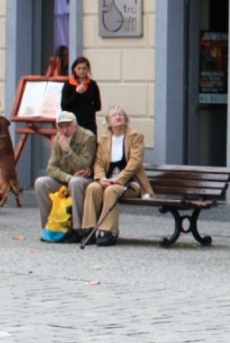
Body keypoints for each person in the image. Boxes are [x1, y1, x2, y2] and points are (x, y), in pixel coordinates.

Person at [82, 106, 154, 247]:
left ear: (126, 120)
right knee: (93, 187)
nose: (118, 116)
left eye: (121, 114)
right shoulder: (104, 139)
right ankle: (88, 230)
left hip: (130, 183)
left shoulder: (135, 136)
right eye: (114, 115)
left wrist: (118, 179)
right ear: (108, 122)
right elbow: (99, 163)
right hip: (108, 180)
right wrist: (100, 178)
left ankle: (109, 232)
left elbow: (134, 163)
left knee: (111, 190)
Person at [33, 111, 96, 234]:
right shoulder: (58, 138)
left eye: (67, 125)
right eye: (61, 127)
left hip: (85, 179)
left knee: (76, 182)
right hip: (67, 177)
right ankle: (49, 227)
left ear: (75, 125)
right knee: (41, 182)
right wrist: (68, 177)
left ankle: (79, 229)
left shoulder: (87, 137)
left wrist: (67, 150)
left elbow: (83, 166)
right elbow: (51, 167)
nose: (64, 130)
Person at [60, 56, 102, 136]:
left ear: (88, 69)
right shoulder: (68, 84)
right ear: (74, 69)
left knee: (90, 145)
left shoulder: (92, 84)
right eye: (79, 68)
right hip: (73, 123)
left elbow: (98, 106)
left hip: (89, 123)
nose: (81, 71)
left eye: (84, 68)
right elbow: (64, 106)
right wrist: (77, 93)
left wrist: (88, 109)